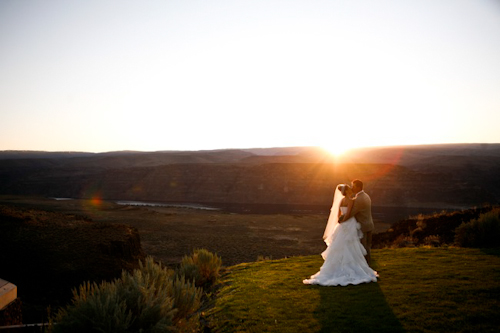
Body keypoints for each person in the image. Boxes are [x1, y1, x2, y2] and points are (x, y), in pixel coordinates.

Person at [303, 183, 377, 286]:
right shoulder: (351, 200)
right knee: (352, 245)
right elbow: (349, 213)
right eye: (349, 188)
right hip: (349, 224)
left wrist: (340, 222)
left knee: (341, 245)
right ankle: (359, 266)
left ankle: (339, 266)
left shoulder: (341, 200)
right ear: (346, 191)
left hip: (342, 226)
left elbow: (339, 214)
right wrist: (345, 220)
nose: (351, 189)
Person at [342, 179, 374, 266]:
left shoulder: (358, 199)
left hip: (362, 226)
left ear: (358, 187)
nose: (352, 187)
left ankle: (366, 265)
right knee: (367, 246)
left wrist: (341, 220)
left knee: (363, 247)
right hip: (369, 225)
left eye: (353, 186)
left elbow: (351, 213)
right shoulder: (366, 195)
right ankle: (368, 264)